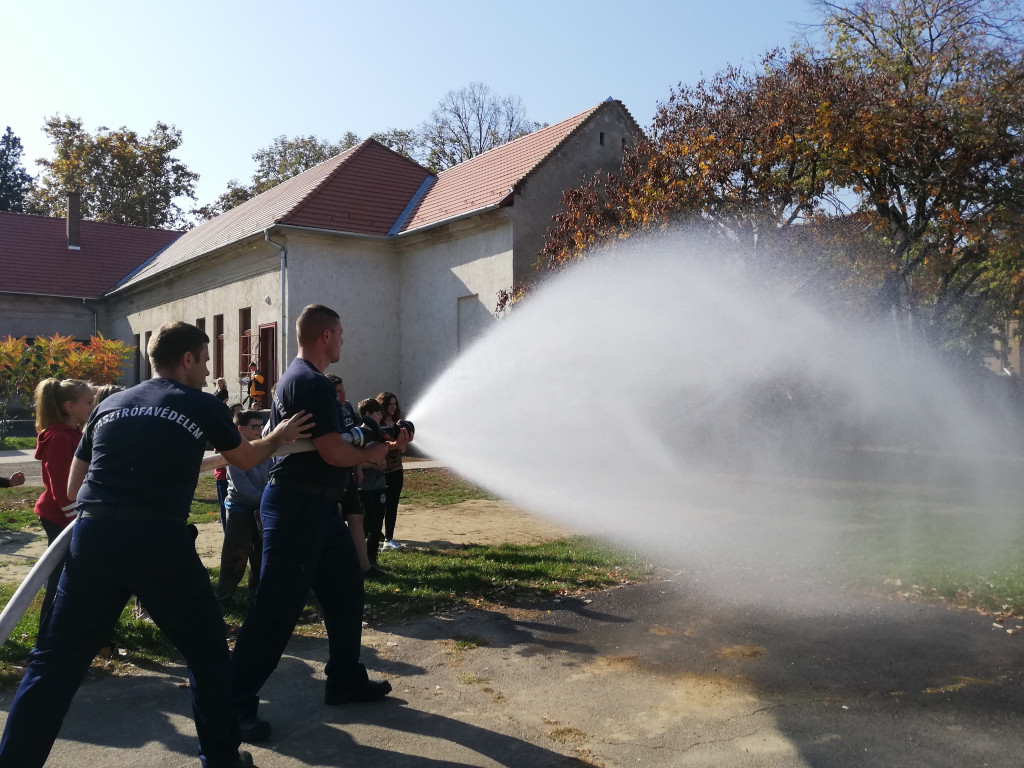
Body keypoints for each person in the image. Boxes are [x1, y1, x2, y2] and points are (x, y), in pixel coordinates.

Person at [0, 321, 312, 768]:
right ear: (187, 359)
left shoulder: (110, 405)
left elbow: (72, 488)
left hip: (94, 537)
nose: (208, 371)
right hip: (157, 539)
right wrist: (278, 437)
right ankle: (222, 758)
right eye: (205, 360)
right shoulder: (201, 403)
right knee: (206, 651)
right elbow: (246, 458)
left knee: (54, 663)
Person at [230, 304, 406, 743]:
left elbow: (330, 445)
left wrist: (369, 447)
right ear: (325, 336)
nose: (344, 340)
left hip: (318, 507)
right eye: (340, 333)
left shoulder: (301, 380)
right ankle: (232, 705)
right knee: (275, 610)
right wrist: (371, 455)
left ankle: (344, 678)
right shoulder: (310, 382)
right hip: (297, 509)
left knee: (346, 590)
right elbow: (332, 451)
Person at [32, 378, 95, 637]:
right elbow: (61, 487)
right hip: (60, 517)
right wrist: (76, 520)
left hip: (72, 514)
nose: (93, 406)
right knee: (59, 576)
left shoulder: (75, 434)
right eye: (88, 402)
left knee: (76, 574)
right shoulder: (59, 438)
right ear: (70, 406)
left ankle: (73, 628)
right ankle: (47, 633)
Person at [216, 409, 270, 606]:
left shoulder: (264, 448)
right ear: (240, 429)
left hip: (260, 508)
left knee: (260, 554)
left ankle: (258, 594)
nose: (259, 430)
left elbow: (270, 474)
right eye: (254, 427)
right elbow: (243, 487)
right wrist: (266, 499)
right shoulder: (234, 451)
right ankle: (224, 596)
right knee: (236, 554)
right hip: (240, 509)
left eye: (260, 426)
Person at [326, 375, 373, 576]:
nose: (343, 394)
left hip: (348, 471)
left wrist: (358, 467)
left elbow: (355, 438)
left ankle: (365, 567)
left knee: (356, 516)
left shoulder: (347, 407)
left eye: (343, 389)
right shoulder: (326, 412)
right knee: (332, 522)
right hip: (330, 476)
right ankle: (334, 568)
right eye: (338, 392)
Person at [356, 398, 390, 570]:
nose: (380, 417)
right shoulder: (359, 435)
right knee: (366, 522)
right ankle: (358, 557)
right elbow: (355, 461)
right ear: (367, 415)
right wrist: (373, 465)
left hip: (380, 485)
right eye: (377, 413)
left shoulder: (379, 434)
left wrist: (383, 462)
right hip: (365, 487)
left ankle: (372, 559)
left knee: (377, 523)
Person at [377, 391, 410, 549]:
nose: (393, 407)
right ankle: (375, 534)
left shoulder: (398, 424)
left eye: (395, 404)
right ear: (382, 406)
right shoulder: (377, 424)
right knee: (378, 506)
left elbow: (403, 449)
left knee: (392, 504)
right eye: (390, 404)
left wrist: (402, 437)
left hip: (396, 470)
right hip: (380, 472)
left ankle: (389, 538)